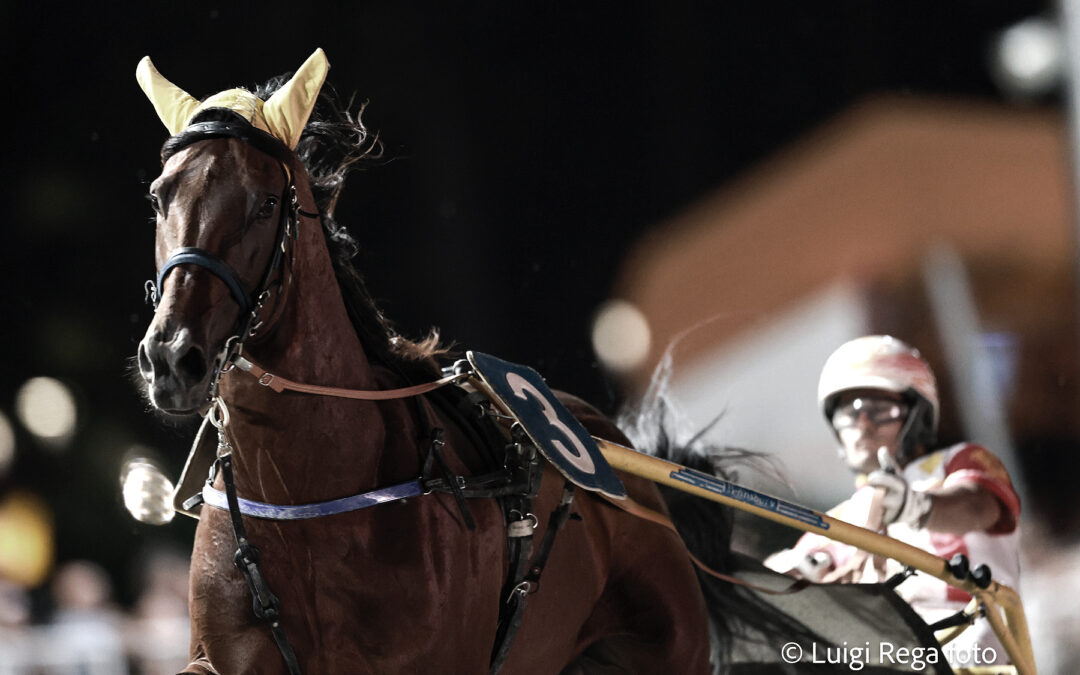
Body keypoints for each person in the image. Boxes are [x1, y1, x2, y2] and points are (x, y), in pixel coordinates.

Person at [765, 335, 1021, 665]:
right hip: (884, 657)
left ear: (918, 415)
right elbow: (774, 577)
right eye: (848, 411)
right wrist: (785, 570)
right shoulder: (838, 523)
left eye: (880, 409)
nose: (862, 425)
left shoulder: (958, 463)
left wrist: (918, 507)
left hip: (972, 655)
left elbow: (976, 506)